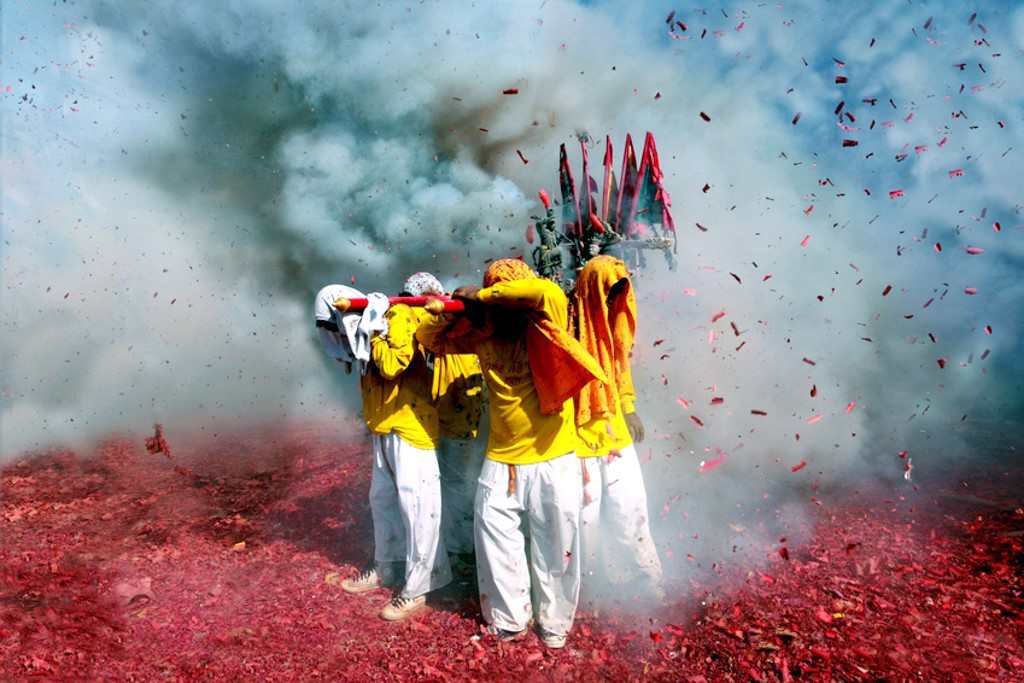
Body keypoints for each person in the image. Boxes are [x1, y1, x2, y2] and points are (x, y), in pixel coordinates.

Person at [416, 259, 606, 649]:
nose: (502, 297)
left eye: (505, 290)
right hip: (502, 458)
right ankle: (510, 618)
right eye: (495, 288)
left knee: (557, 544)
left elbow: (541, 291)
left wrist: (479, 295)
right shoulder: (483, 334)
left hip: (554, 455)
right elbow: (428, 338)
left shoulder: (547, 312)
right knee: (494, 540)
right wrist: (447, 310)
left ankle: (554, 624)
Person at [314, 283, 451, 621]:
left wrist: (375, 333)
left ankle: (420, 586)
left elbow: (392, 366)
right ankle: (387, 567)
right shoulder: (369, 322)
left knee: (418, 508)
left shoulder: (397, 316)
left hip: (410, 428)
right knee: (384, 501)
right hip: (384, 427)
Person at [572, 256, 663, 604]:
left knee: (631, 511)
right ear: (594, 290)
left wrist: (629, 408)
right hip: (578, 441)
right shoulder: (569, 323)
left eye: (620, 293)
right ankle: (592, 592)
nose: (614, 301)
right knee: (585, 523)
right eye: (609, 293)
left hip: (616, 435)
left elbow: (620, 369)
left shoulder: (613, 328)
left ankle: (649, 583)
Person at [403, 273, 487, 569]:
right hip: (440, 420)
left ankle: (462, 551)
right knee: (445, 485)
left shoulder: (457, 324)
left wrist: (447, 311)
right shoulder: (427, 326)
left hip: (459, 419)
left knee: (457, 486)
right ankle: (452, 544)